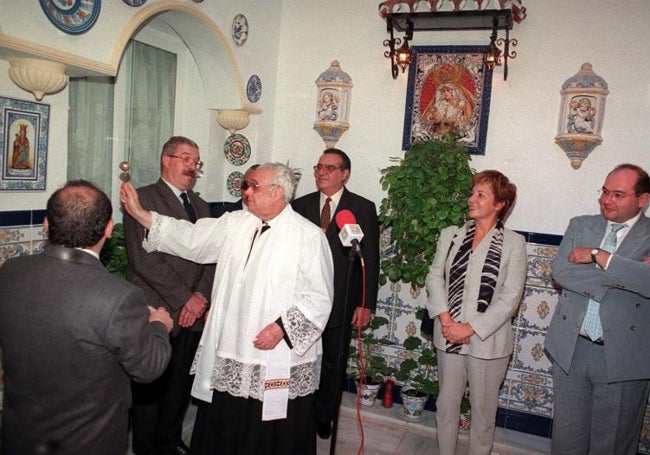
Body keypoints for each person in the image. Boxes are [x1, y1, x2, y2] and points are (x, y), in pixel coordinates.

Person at [120, 162, 334, 455]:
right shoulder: (237, 222)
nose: (246, 192)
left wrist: (282, 327)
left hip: (274, 348)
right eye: (246, 185)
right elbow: (192, 237)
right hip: (232, 344)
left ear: (278, 192)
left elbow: (319, 297)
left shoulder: (308, 236)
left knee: (268, 431)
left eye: (253, 186)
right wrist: (142, 215)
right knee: (226, 423)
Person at [0, 180, 172, 455]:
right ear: (107, 229)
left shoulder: (10, 271)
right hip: (88, 442)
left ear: (46, 224)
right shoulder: (119, 296)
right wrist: (158, 326)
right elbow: (148, 368)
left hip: (20, 435)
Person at [545, 163, 650, 454]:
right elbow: (562, 273)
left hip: (622, 356)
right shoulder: (581, 225)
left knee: (612, 444)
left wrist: (598, 256)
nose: (607, 200)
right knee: (567, 442)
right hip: (572, 349)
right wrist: (627, 275)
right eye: (605, 192)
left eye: (618, 194)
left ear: (642, 199)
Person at [123, 136, 215, 455]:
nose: (192, 167)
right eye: (186, 159)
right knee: (152, 386)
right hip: (156, 308)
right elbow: (143, 258)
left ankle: (171, 440)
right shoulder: (144, 199)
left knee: (180, 385)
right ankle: (147, 448)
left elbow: (210, 257)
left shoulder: (201, 206)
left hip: (193, 313)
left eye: (196, 162)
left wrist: (200, 297)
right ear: (166, 159)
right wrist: (183, 298)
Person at [425, 170, 527, 455]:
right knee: (446, 406)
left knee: (483, 414)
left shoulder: (514, 244)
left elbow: (510, 298)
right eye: (472, 193)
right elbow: (434, 277)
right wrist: (447, 320)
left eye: (480, 195)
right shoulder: (451, 235)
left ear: (499, 204)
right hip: (448, 336)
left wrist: (469, 328)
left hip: (489, 342)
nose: (471, 199)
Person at [292, 148, 380, 439]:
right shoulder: (299, 206)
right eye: (319, 166)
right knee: (299, 357)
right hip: (302, 301)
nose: (322, 172)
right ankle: (298, 413)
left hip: (341, 301)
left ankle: (324, 415)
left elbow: (370, 259)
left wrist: (365, 303)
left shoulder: (362, 208)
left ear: (345, 174)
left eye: (330, 168)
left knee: (333, 361)